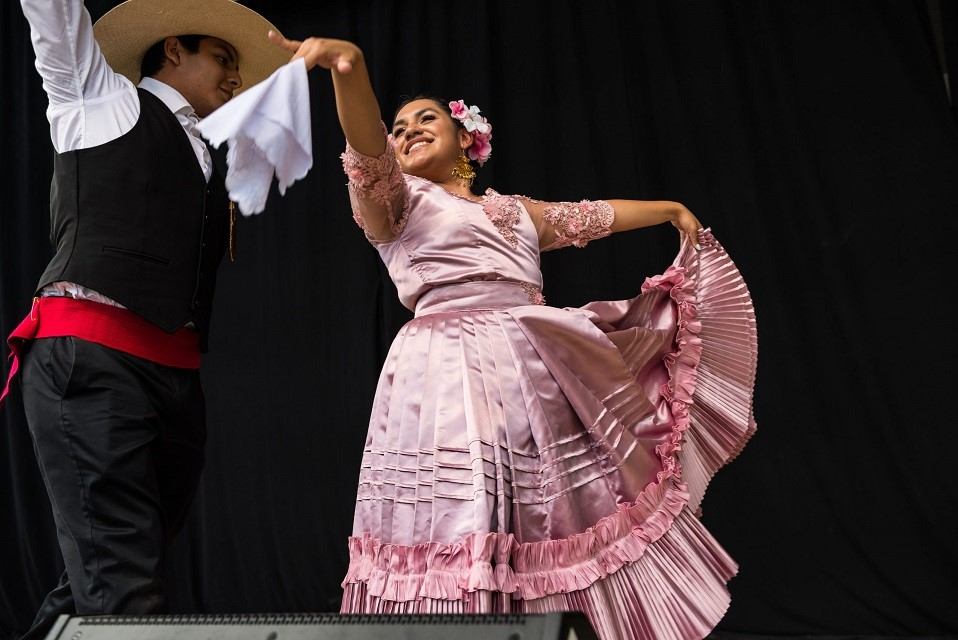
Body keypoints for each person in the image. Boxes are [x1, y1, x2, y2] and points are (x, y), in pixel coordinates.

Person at [270, 33, 758, 640]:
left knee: (539, 513)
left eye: (427, 119)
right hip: (442, 368)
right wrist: (348, 68)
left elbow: (588, 216)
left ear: (465, 141)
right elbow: (365, 148)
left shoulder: (513, 210)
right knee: (461, 508)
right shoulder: (395, 203)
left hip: (528, 370)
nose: (408, 131)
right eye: (398, 128)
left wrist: (667, 209)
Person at [3, 1, 287, 638]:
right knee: (123, 588)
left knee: (103, 574)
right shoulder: (97, 98)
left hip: (174, 384)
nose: (235, 79)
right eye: (223, 58)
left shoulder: (209, 151)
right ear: (173, 49)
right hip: (94, 362)